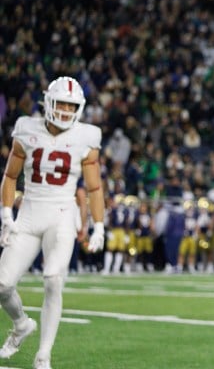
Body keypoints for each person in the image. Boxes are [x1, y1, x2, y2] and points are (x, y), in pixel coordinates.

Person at [0, 76, 105, 369]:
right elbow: (10, 177)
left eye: (72, 106)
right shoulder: (26, 129)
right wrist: (6, 215)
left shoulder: (86, 136)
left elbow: (94, 188)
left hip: (62, 215)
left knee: (53, 280)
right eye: (61, 103)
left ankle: (43, 355)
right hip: (30, 212)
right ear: (47, 102)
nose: (66, 111)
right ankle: (21, 324)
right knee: (2, 283)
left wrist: (99, 225)